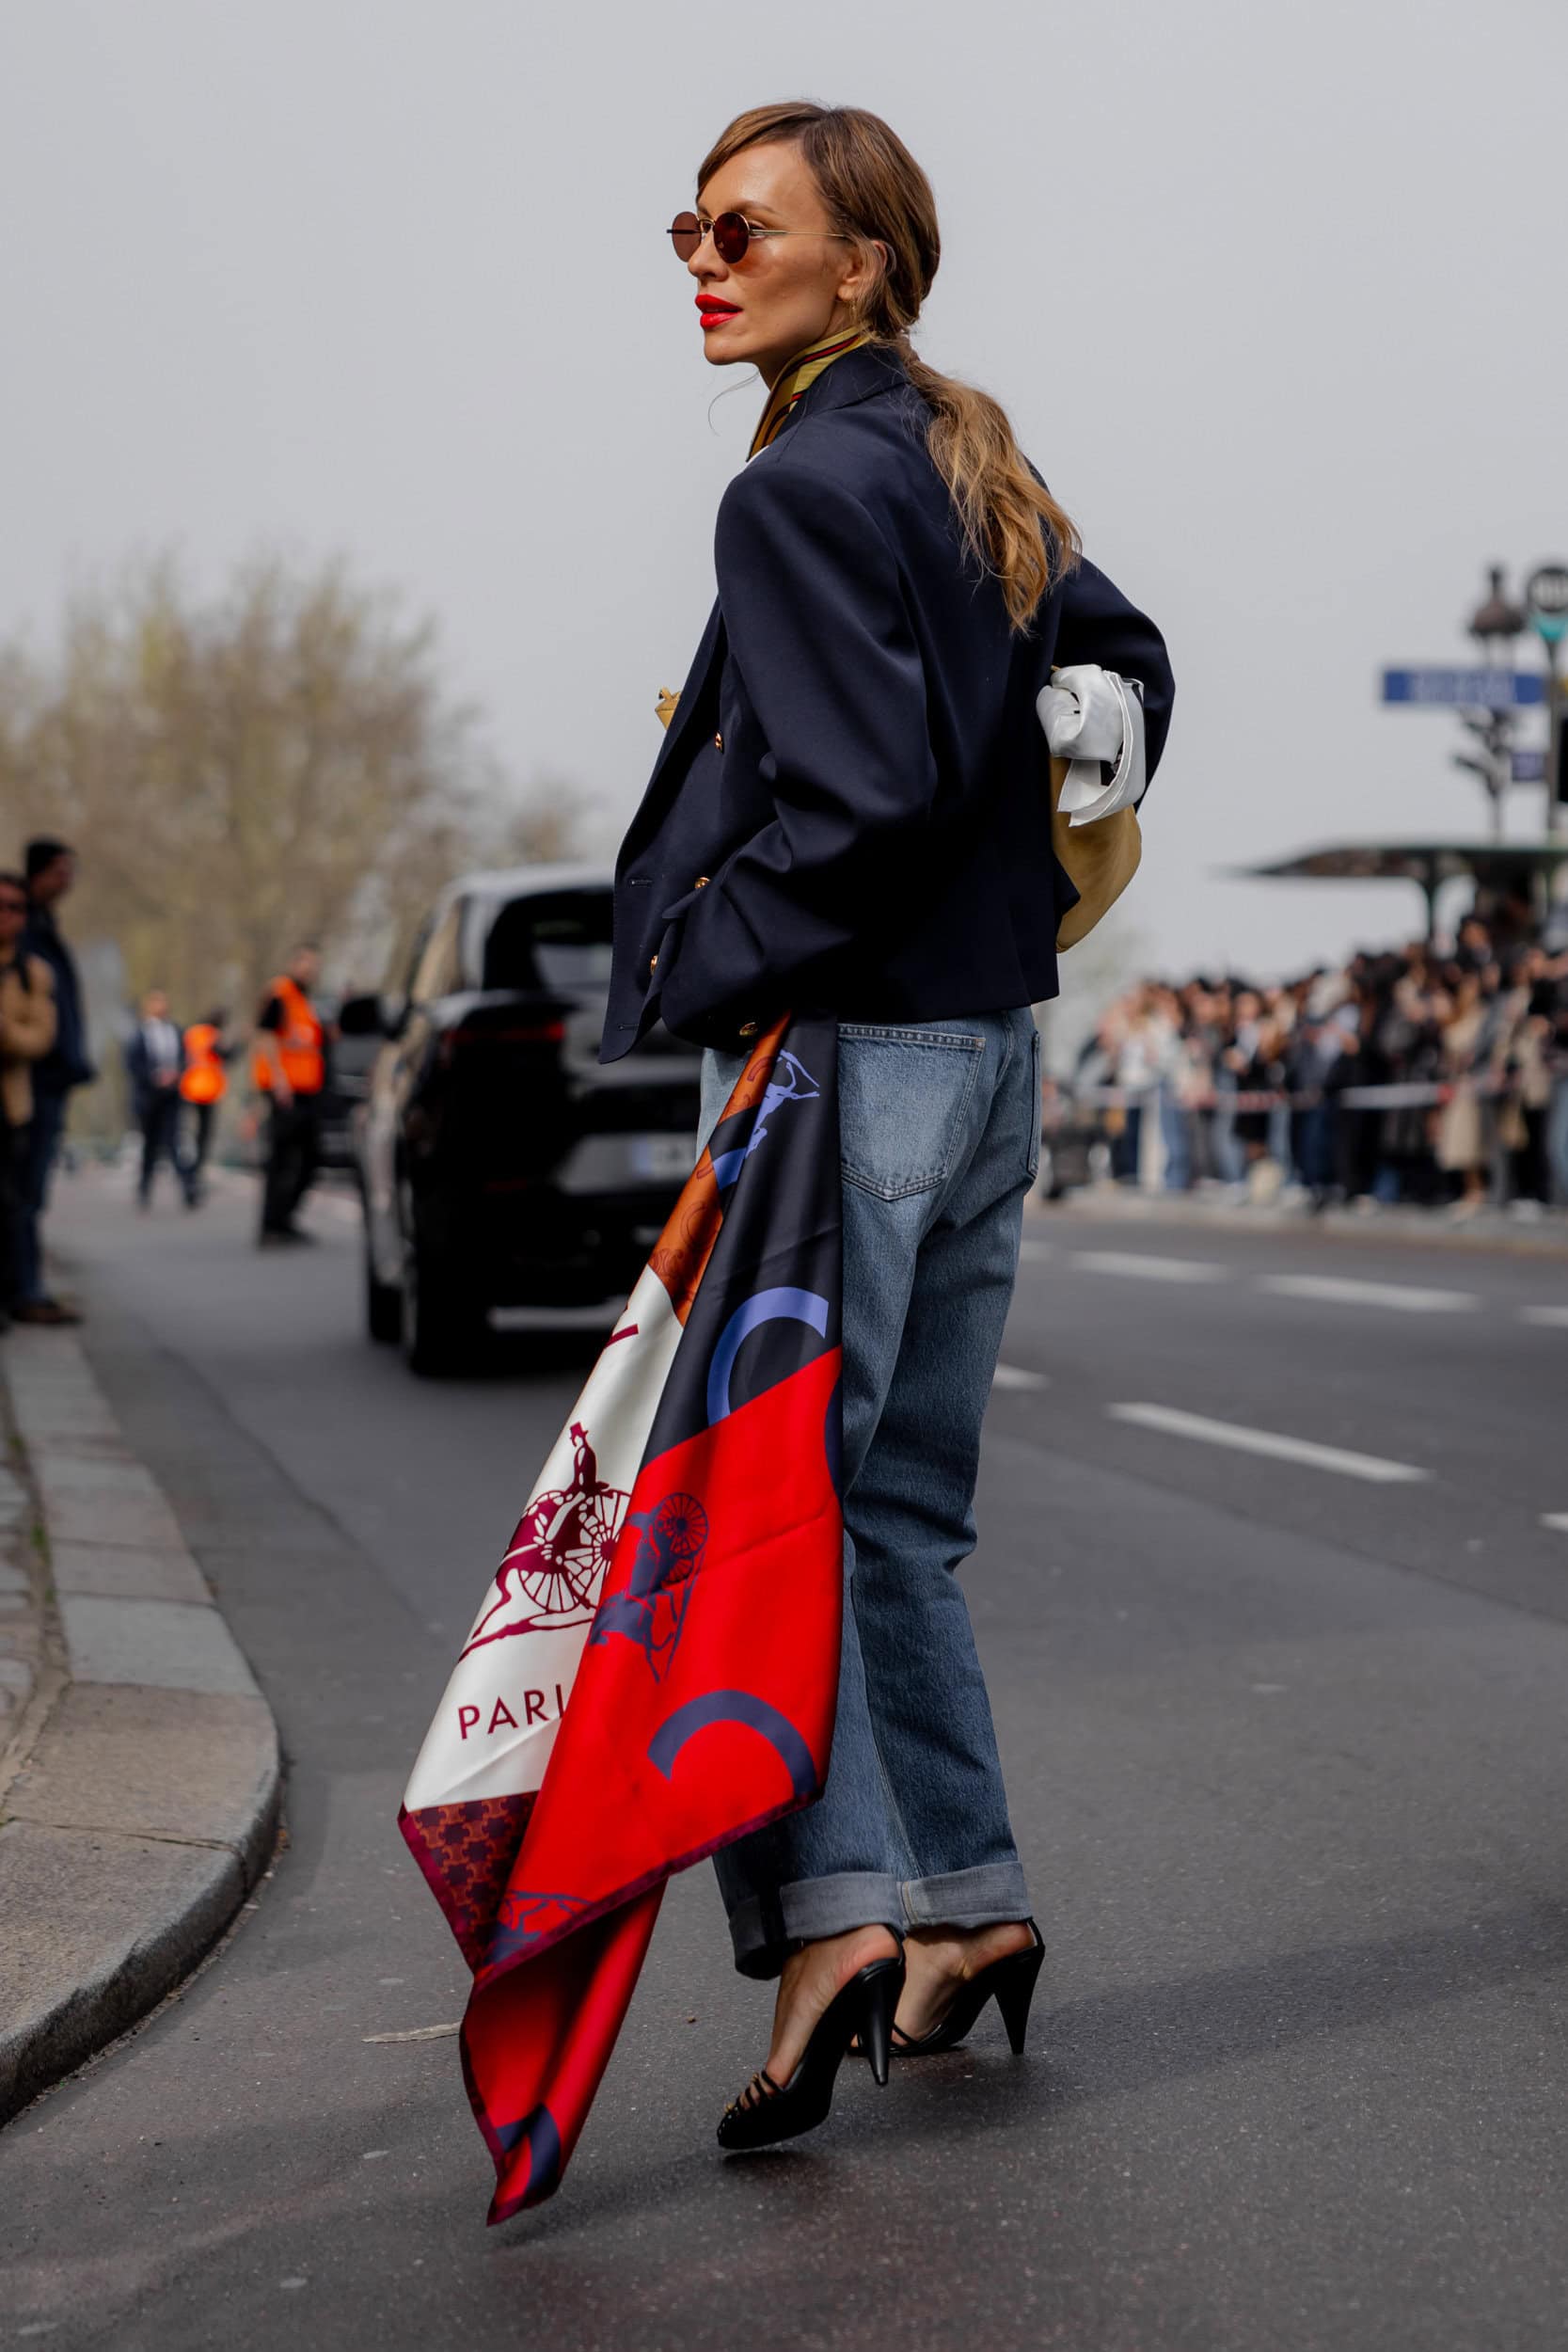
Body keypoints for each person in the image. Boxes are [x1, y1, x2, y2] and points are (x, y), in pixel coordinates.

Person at [606, 103, 1173, 2147]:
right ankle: (969, 1902)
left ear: (856, 266)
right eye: (688, 221)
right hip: (987, 1049)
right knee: (896, 1514)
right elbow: (1118, 669)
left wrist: (689, 933)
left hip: (839, 1047)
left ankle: (833, 1917)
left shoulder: (791, 491)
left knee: (756, 1508)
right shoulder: (961, 446)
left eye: (743, 226)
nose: (701, 251)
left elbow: (848, 802)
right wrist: (1033, 826)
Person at [16, 838, 93, 1326]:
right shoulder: (26, 930)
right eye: (62, 871)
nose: (68, 880)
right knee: (24, 1188)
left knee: (30, 1190)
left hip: (50, 1075)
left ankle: (27, 1285)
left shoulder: (42, 927)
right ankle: (24, 1289)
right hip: (33, 1078)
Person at [0, 871, 57, 1328]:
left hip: (9, 1105)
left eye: (16, 907)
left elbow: (41, 1037)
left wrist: (5, 1032)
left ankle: (13, 1295)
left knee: (11, 1202)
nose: (7, 916)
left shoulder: (32, 972)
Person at [252, 946, 326, 1246]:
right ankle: (271, 1225)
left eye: (315, 966)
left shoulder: (305, 1000)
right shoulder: (280, 993)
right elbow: (265, 1035)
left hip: (307, 1089)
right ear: (293, 963)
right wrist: (279, 1079)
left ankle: (284, 1219)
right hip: (286, 1090)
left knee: (310, 1157)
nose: (311, 971)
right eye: (306, 964)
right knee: (281, 1159)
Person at [124, 988, 195, 1210]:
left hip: (171, 1097)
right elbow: (133, 1065)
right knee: (150, 1145)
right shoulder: (139, 1034)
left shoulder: (176, 1031)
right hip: (148, 1098)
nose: (161, 1006)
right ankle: (144, 1189)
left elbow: (186, 1059)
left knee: (174, 1141)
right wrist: (154, 1077)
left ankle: (187, 1188)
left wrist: (175, 1075)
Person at [179, 1008, 232, 1202]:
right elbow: (225, 1055)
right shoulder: (211, 1035)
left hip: (189, 1088)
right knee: (203, 1136)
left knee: (189, 1133)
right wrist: (242, 1043)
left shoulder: (192, 1033)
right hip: (206, 1091)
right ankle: (194, 1172)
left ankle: (190, 1170)